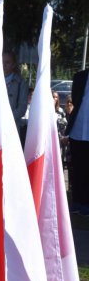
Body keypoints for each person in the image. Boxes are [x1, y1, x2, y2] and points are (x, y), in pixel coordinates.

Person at [66, 69, 89, 216]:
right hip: (78, 130)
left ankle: (86, 203)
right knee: (76, 168)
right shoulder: (80, 76)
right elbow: (76, 99)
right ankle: (76, 201)